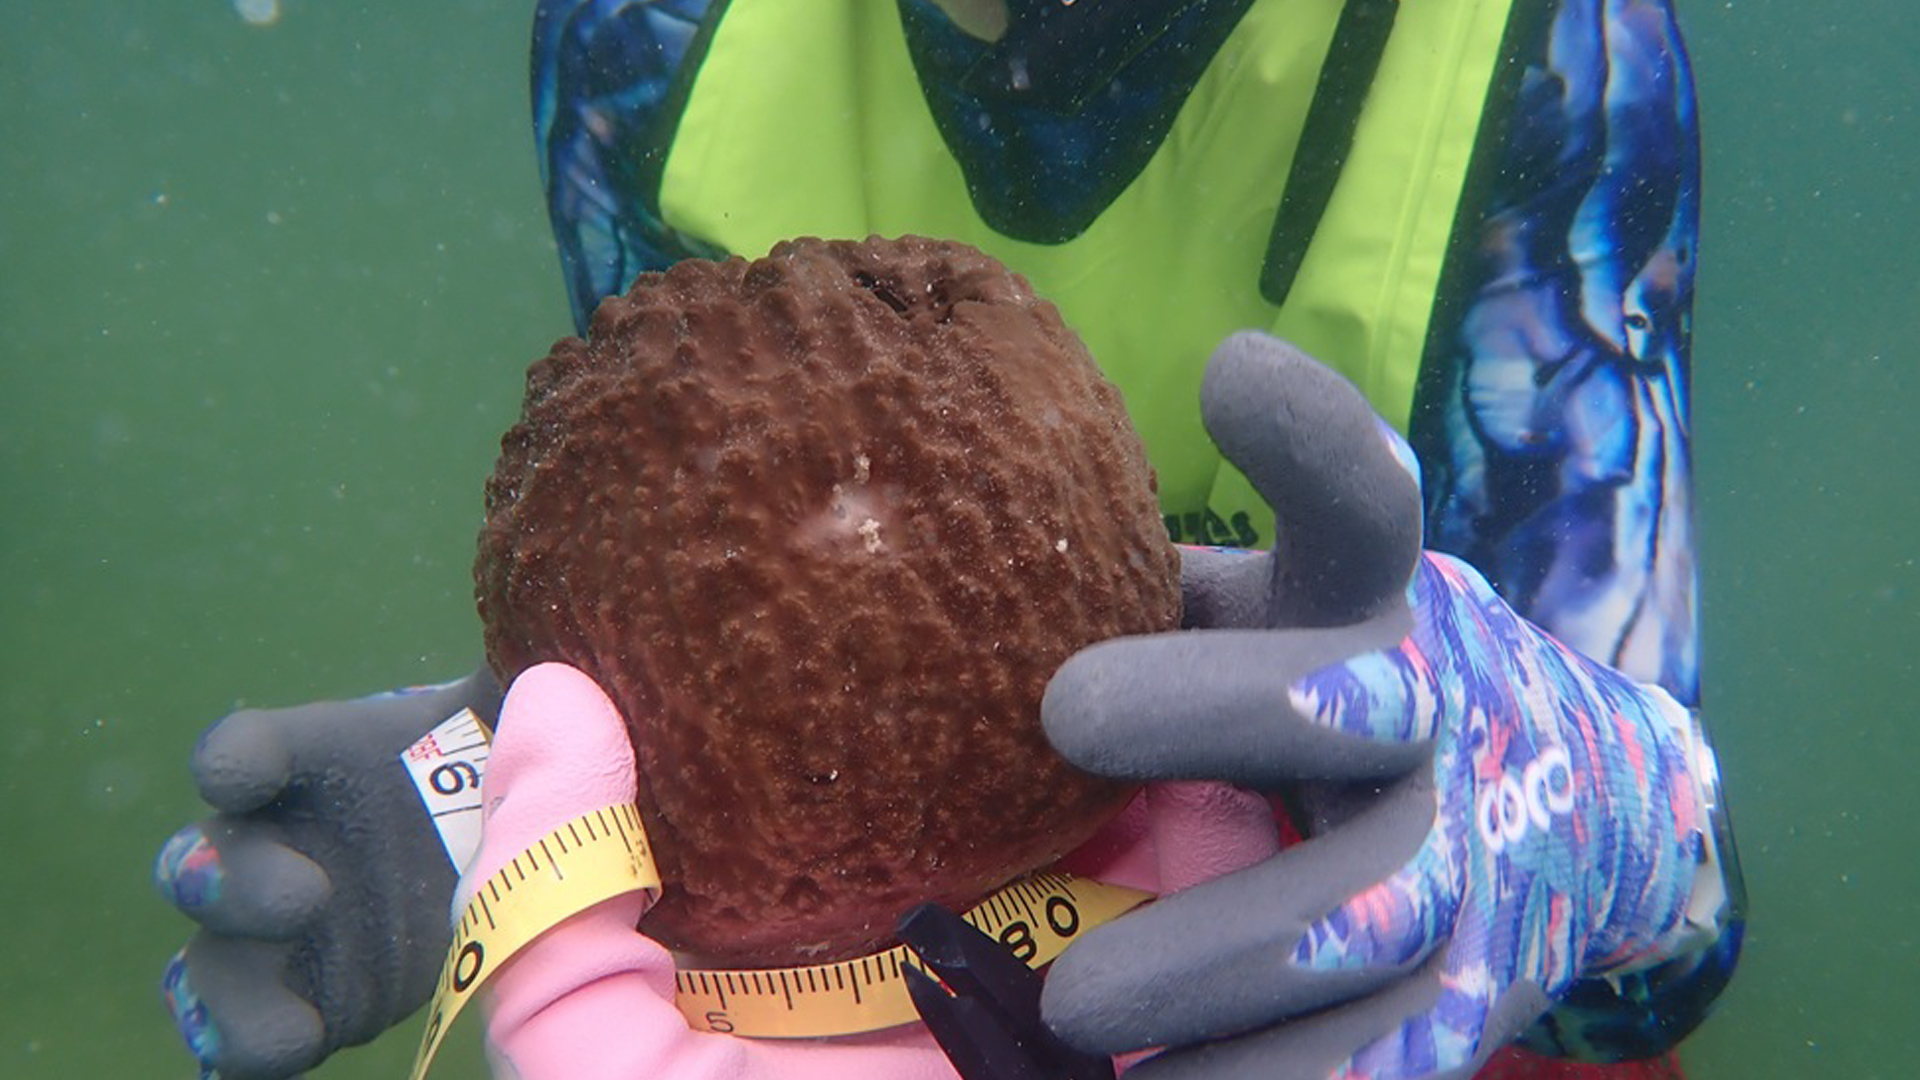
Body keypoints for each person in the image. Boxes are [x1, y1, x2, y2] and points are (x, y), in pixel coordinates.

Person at [154, 1, 1743, 1078]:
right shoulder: (657, 33)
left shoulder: (1539, 52)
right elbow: (705, 587)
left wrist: (1600, 800)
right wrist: (497, 793)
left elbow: (1669, 946)